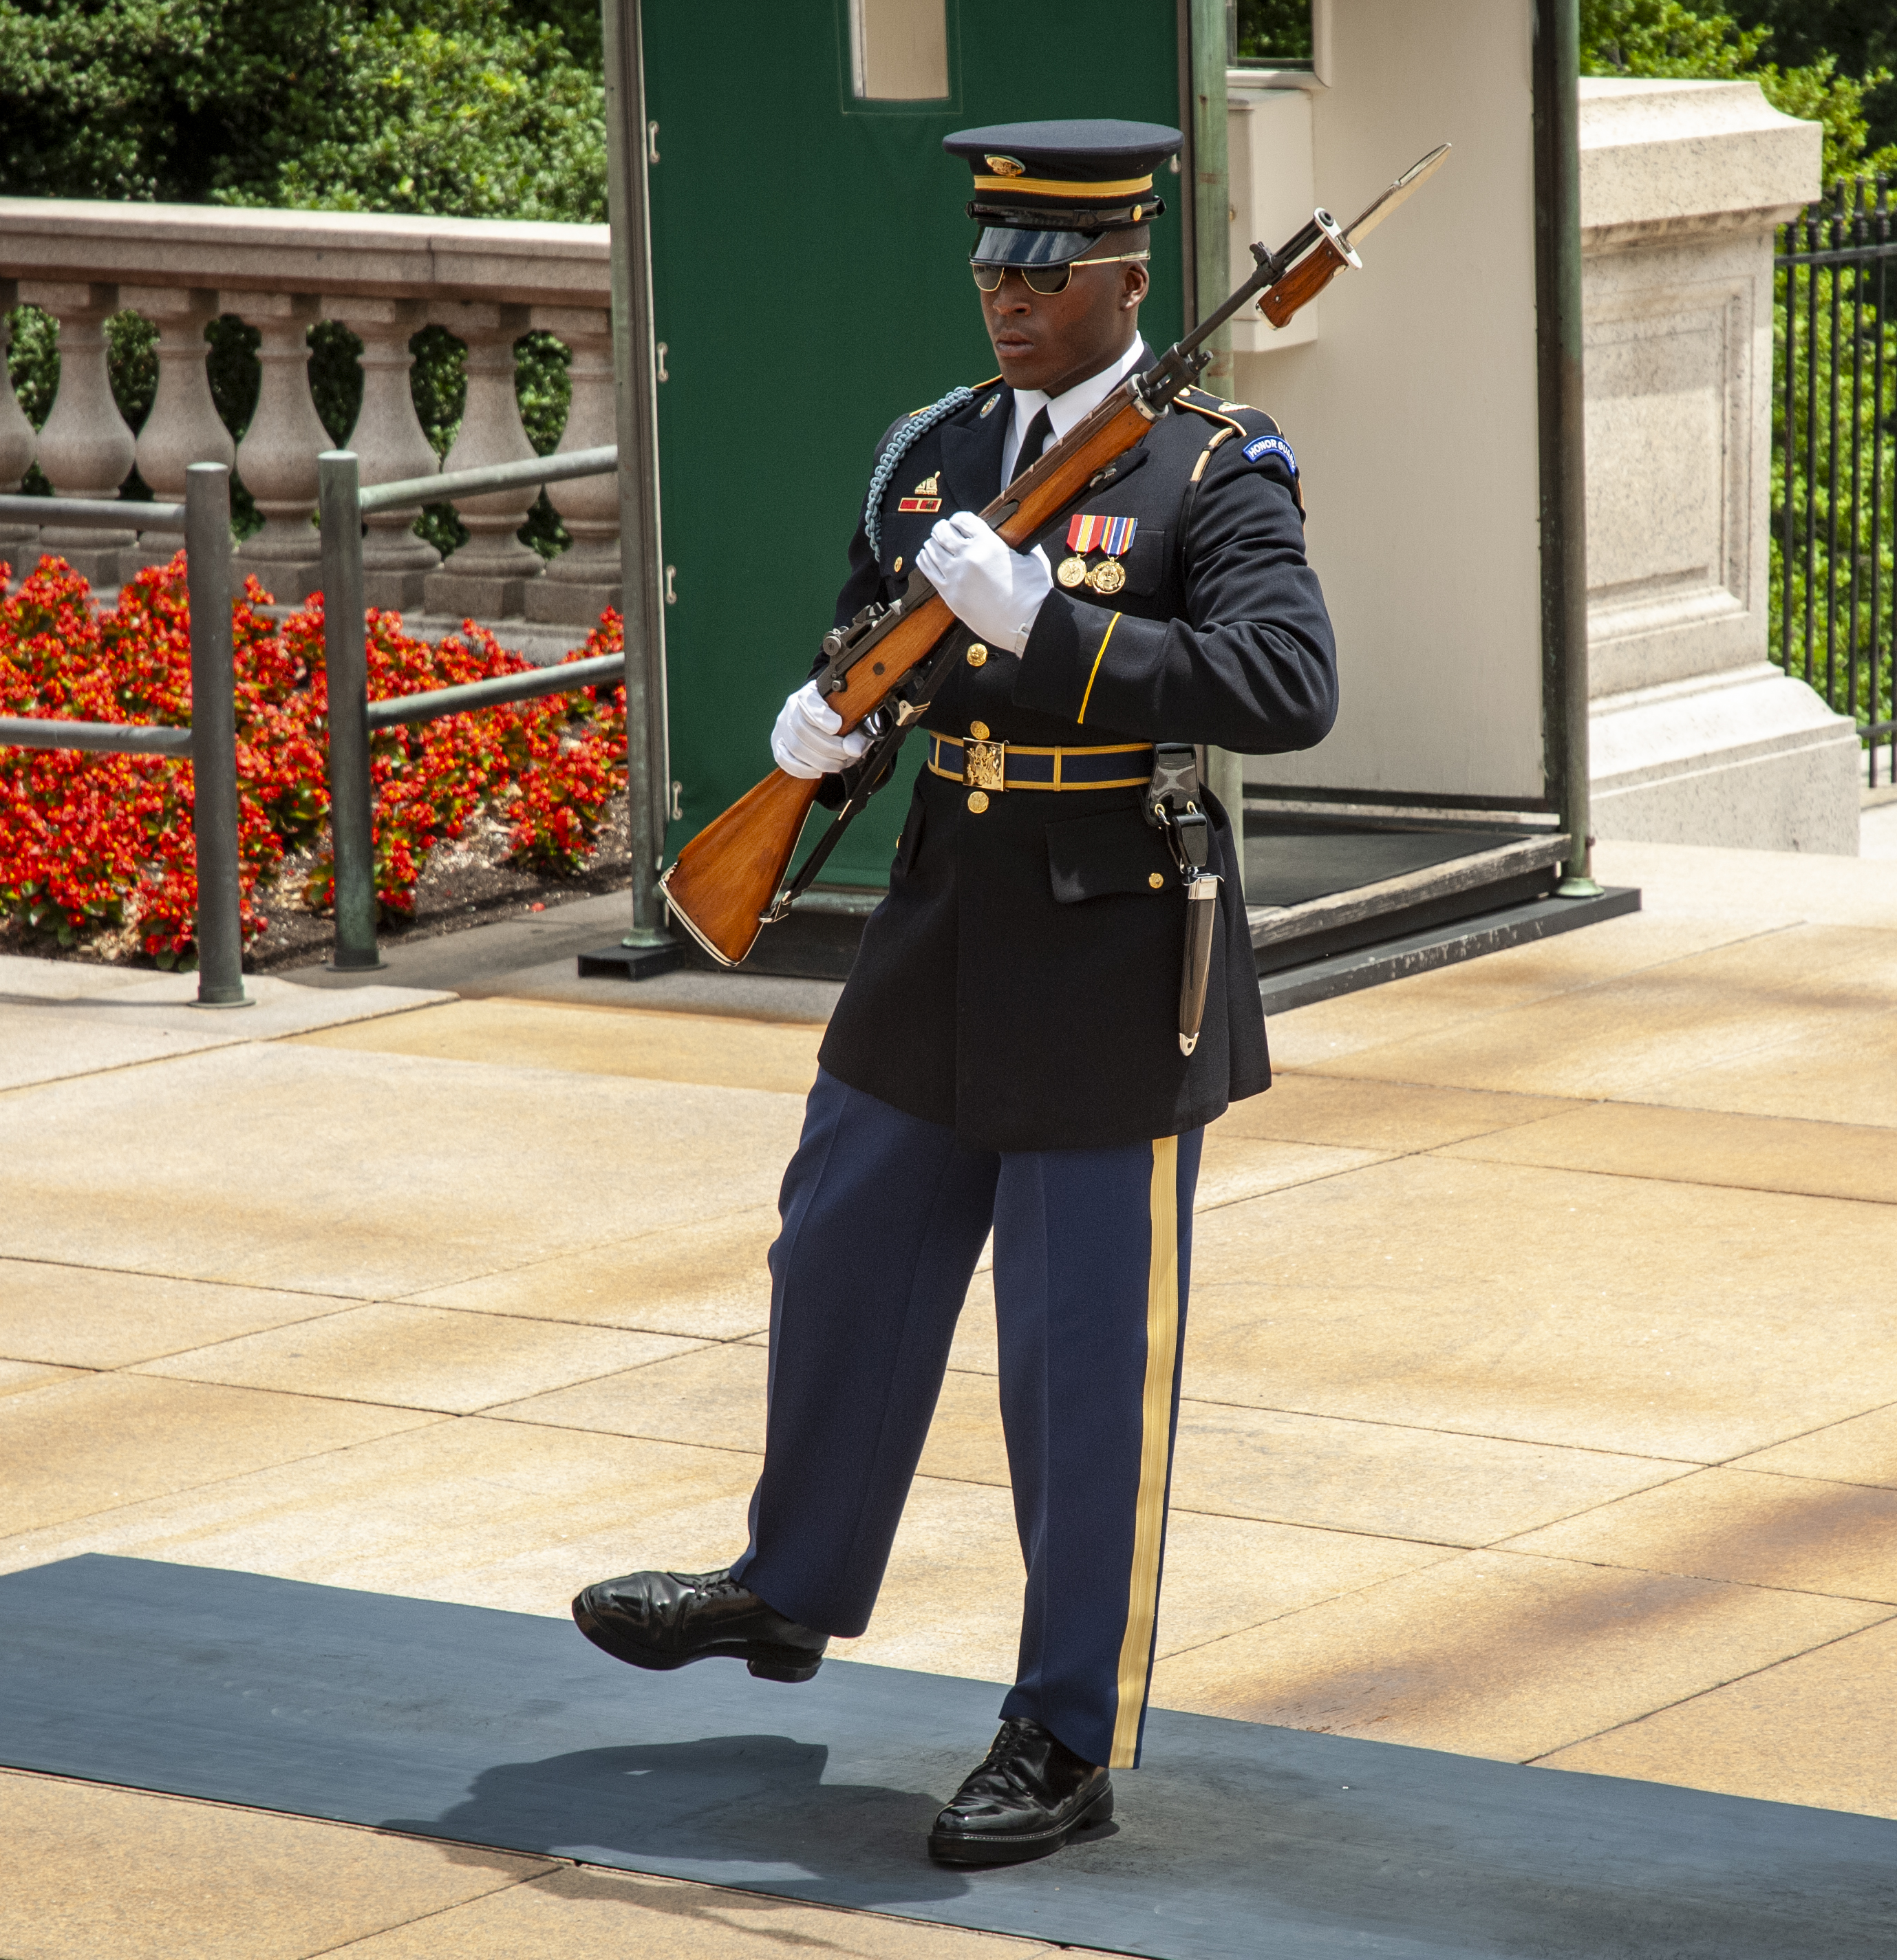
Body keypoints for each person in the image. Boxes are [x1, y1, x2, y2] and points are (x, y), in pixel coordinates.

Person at [571, 117, 1336, 1867]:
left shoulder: (1212, 469)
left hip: (1111, 950)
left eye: (1044, 273)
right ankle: (787, 1583)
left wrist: (1044, 626)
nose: (1006, 298)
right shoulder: (935, 451)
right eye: (991, 266)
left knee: (1074, 1364)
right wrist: (825, 732)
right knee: (836, 1249)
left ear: (1126, 278)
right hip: (939, 927)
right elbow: (878, 652)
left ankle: (1063, 1730)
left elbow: (1285, 684)